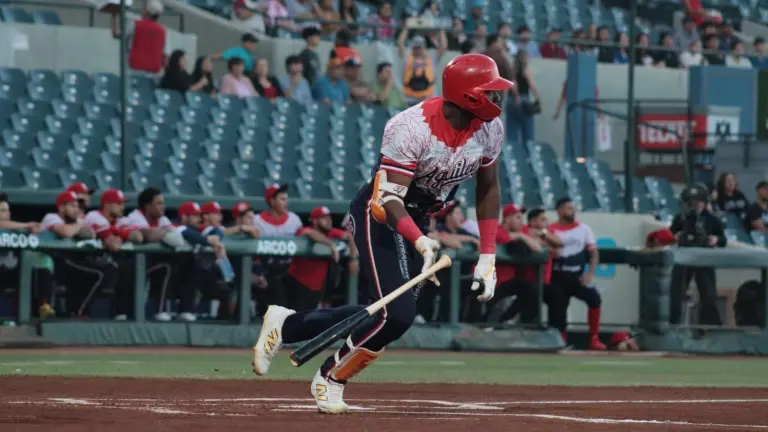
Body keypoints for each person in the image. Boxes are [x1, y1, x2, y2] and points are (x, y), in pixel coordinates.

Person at [252, 53, 512, 413]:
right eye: (490, 91)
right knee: (399, 314)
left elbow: (488, 188)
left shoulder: (490, 128)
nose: (497, 98)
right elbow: (387, 199)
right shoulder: (410, 126)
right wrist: (419, 239)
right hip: (381, 213)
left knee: (388, 312)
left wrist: (488, 257)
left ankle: (287, 325)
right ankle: (330, 377)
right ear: (468, 95)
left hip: (421, 219)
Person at [42, 191, 120, 318]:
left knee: (106, 270)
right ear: (61, 207)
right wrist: (78, 226)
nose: (76, 210)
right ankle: (78, 313)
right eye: (72, 206)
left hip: (70, 261)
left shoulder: (76, 220)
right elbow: (66, 232)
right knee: (96, 275)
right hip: (52, 262)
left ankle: (78, 312)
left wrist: (79, 227)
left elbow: (91, 233)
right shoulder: (51, 217)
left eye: (77, 206)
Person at [548, 197, 606, 350]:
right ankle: (561, 340)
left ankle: (594, 337)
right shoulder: (551, 229)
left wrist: (590, 274)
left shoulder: (584, 229)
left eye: (572, 208)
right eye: (568, 208)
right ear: (559, 210)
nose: (572, 211)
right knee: (558, 305)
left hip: (576, 275)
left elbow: (593, 253)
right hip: (558, 274)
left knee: (594, 298)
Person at [669, 185, 726, 326]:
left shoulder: (712, 220)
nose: (694, 205)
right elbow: (670, 235)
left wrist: (715, 240)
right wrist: (676, 237)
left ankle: (709, 327)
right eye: (691, 201)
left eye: (698, 201)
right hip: (683, 259)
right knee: (676, 293)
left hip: (704, 259)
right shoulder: (681, 218)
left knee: (708, 295)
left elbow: (723, 239)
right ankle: (673, 323)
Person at [285, 206, 352, 311]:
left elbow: (349, 236)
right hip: (298, 284)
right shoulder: (304, 230)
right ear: (315, 221)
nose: (329, 220)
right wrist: (331, 245)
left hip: (317, 288)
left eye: (329, 217)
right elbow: (311, 233)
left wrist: (354, 259)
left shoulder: (331, 232)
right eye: (324, 218)